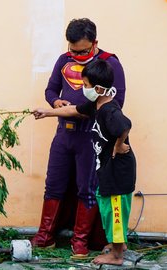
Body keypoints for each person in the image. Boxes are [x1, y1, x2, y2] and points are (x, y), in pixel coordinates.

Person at [30, 18, 126, 257]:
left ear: (95, 42)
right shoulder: (64, 60)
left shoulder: (109, 63)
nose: (77, 55)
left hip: (92, 137)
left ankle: (80, 240)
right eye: (73, 50)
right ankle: (45, 236)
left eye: (83, 51)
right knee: (53, 184)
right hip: (64, 134)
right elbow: (51, 89)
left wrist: (57, 110)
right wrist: (55, 101)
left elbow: (114, 102)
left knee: (88, 188)